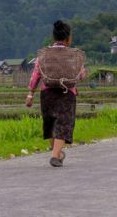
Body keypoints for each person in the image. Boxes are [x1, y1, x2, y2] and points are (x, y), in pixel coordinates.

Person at [26, 20, 86, 167]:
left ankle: (57, 153)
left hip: (47, 92)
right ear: (68, 38)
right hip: (67, 93)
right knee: (63, 123)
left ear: (54, 37)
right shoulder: (74, 55)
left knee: (51, 122)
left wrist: (30, 94)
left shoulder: (44, 54)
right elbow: (81, 74)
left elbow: (36, 74)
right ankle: (54, 155)